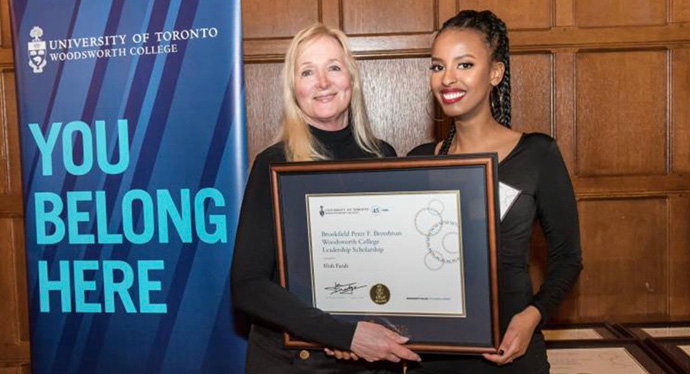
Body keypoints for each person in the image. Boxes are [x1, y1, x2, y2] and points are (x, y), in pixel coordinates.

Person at [231, 23, 421, 373]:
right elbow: (247, 286)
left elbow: (395, 264)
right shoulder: (274, 164)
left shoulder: (383, 157)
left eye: (333, 67)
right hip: (292, 361)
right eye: (307, 71)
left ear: (352, 77)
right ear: (294, 88)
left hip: (370, 361)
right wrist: (343, 335)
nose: (322, 82)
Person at [406, 10, 583, 373]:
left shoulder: (537, 154)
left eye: (464, 64)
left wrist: (532, 316)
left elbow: (568, 258)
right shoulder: (419, 162)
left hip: (511, 351)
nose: (447, 79)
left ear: (496, 73)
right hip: (434, 355)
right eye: (437, 67)